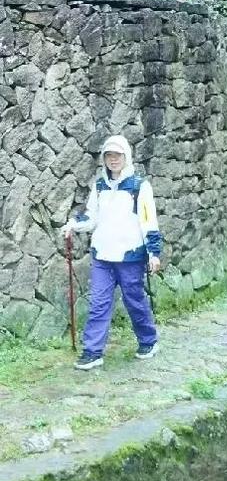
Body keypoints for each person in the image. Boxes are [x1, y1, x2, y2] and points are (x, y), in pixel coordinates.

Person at [63, 135, 162, 370]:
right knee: (98, 303)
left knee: (134, 301)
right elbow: (91, 216)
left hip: (130, 256)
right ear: (104, 159)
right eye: (109, 155)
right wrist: (73, 224)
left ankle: (148, 341)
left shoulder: (139, 186)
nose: (113, 159)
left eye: (117, 155)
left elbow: (148, 221)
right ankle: (93, 352)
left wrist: (154, 253)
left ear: (126, 156)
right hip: (102, 256)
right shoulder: (99, 186)